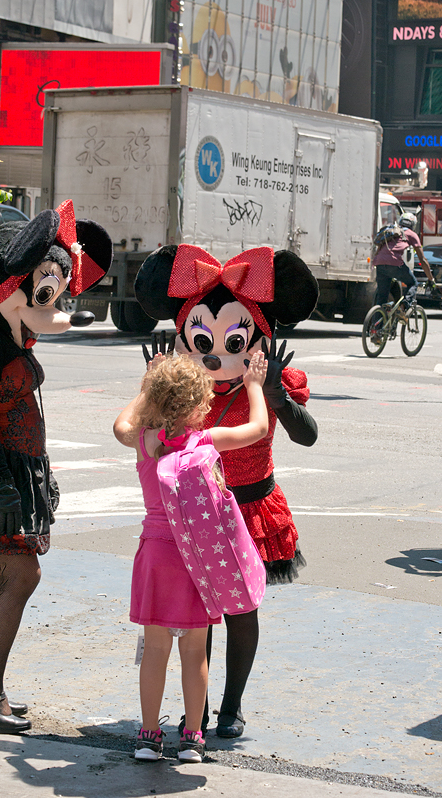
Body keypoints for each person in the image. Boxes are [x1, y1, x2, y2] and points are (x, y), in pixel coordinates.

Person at [0, 202, 112, 734]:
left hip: (8, 470)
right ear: (9, 287)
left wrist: (39, 475)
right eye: (45, 288)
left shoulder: (8, 334)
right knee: (23, 573)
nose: (58, 305)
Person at [134, 243, 319, 739]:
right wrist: (156, 386)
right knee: (199, 617)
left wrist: (274, 391)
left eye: (233, 338)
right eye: (199, 337)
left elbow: (307, 434)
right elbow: (141, 433)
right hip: (196, 511)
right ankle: (198, 710)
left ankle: (230, 706)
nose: (214, 352)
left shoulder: (270, 381)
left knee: (241, 612)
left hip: (251, 504)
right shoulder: (185, 388)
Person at [113, 351, 268, 763]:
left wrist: (144, 387)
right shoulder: (205, 440)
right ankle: (194, 738)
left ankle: (148, 736)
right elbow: (258, 428)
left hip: (155, 555)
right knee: (194, 651)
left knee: (155, 648)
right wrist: (253, 385)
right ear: (201, 405)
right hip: (195, 558)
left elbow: (119, 425)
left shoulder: (145, 440)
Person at [373, 212, 436, 310]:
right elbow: (422, 260)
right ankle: (402, 308)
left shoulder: (391, 230)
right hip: (395, 264)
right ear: (413, 224)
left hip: (379, 263)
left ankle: (376, 324)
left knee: (381, 299)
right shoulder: (411, 234)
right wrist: (431, 279)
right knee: (413, 283)